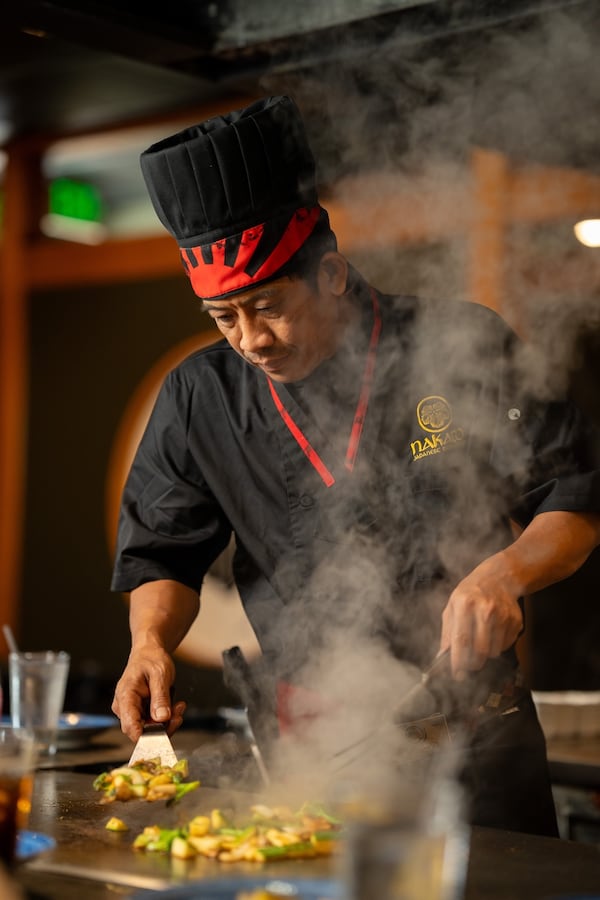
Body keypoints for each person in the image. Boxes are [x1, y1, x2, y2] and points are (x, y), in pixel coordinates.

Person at [111, 95, 600, 836]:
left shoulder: (458, 341)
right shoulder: (199, 396)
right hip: (311, 747)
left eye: (268, 306)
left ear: (332, 273)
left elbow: (578, 492)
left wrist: (508, 571)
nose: (250, 339)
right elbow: (161, 550)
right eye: (224, 317)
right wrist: (150, 642)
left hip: (471, 738)